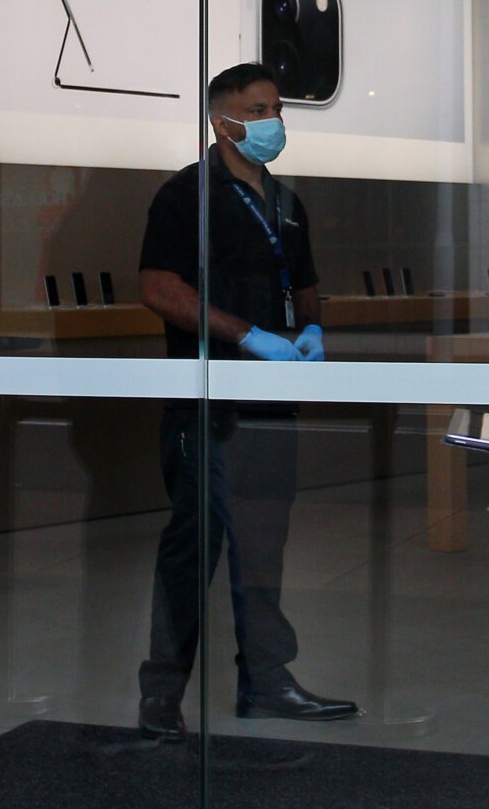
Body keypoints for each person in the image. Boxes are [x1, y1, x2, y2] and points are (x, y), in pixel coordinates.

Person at [134, 62, 359, 742]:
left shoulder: (285, 203)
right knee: (193, 548)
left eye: (276, 108)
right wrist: (246, 334)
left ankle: (267, 681)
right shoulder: (185, 197)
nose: (272, 122)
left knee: (263, 545)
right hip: (208, 405)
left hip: (271, 405)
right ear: (221, 121)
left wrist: (311, 329)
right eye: (257, 111)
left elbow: (306, 285)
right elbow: (158, 289)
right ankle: (161, 696)